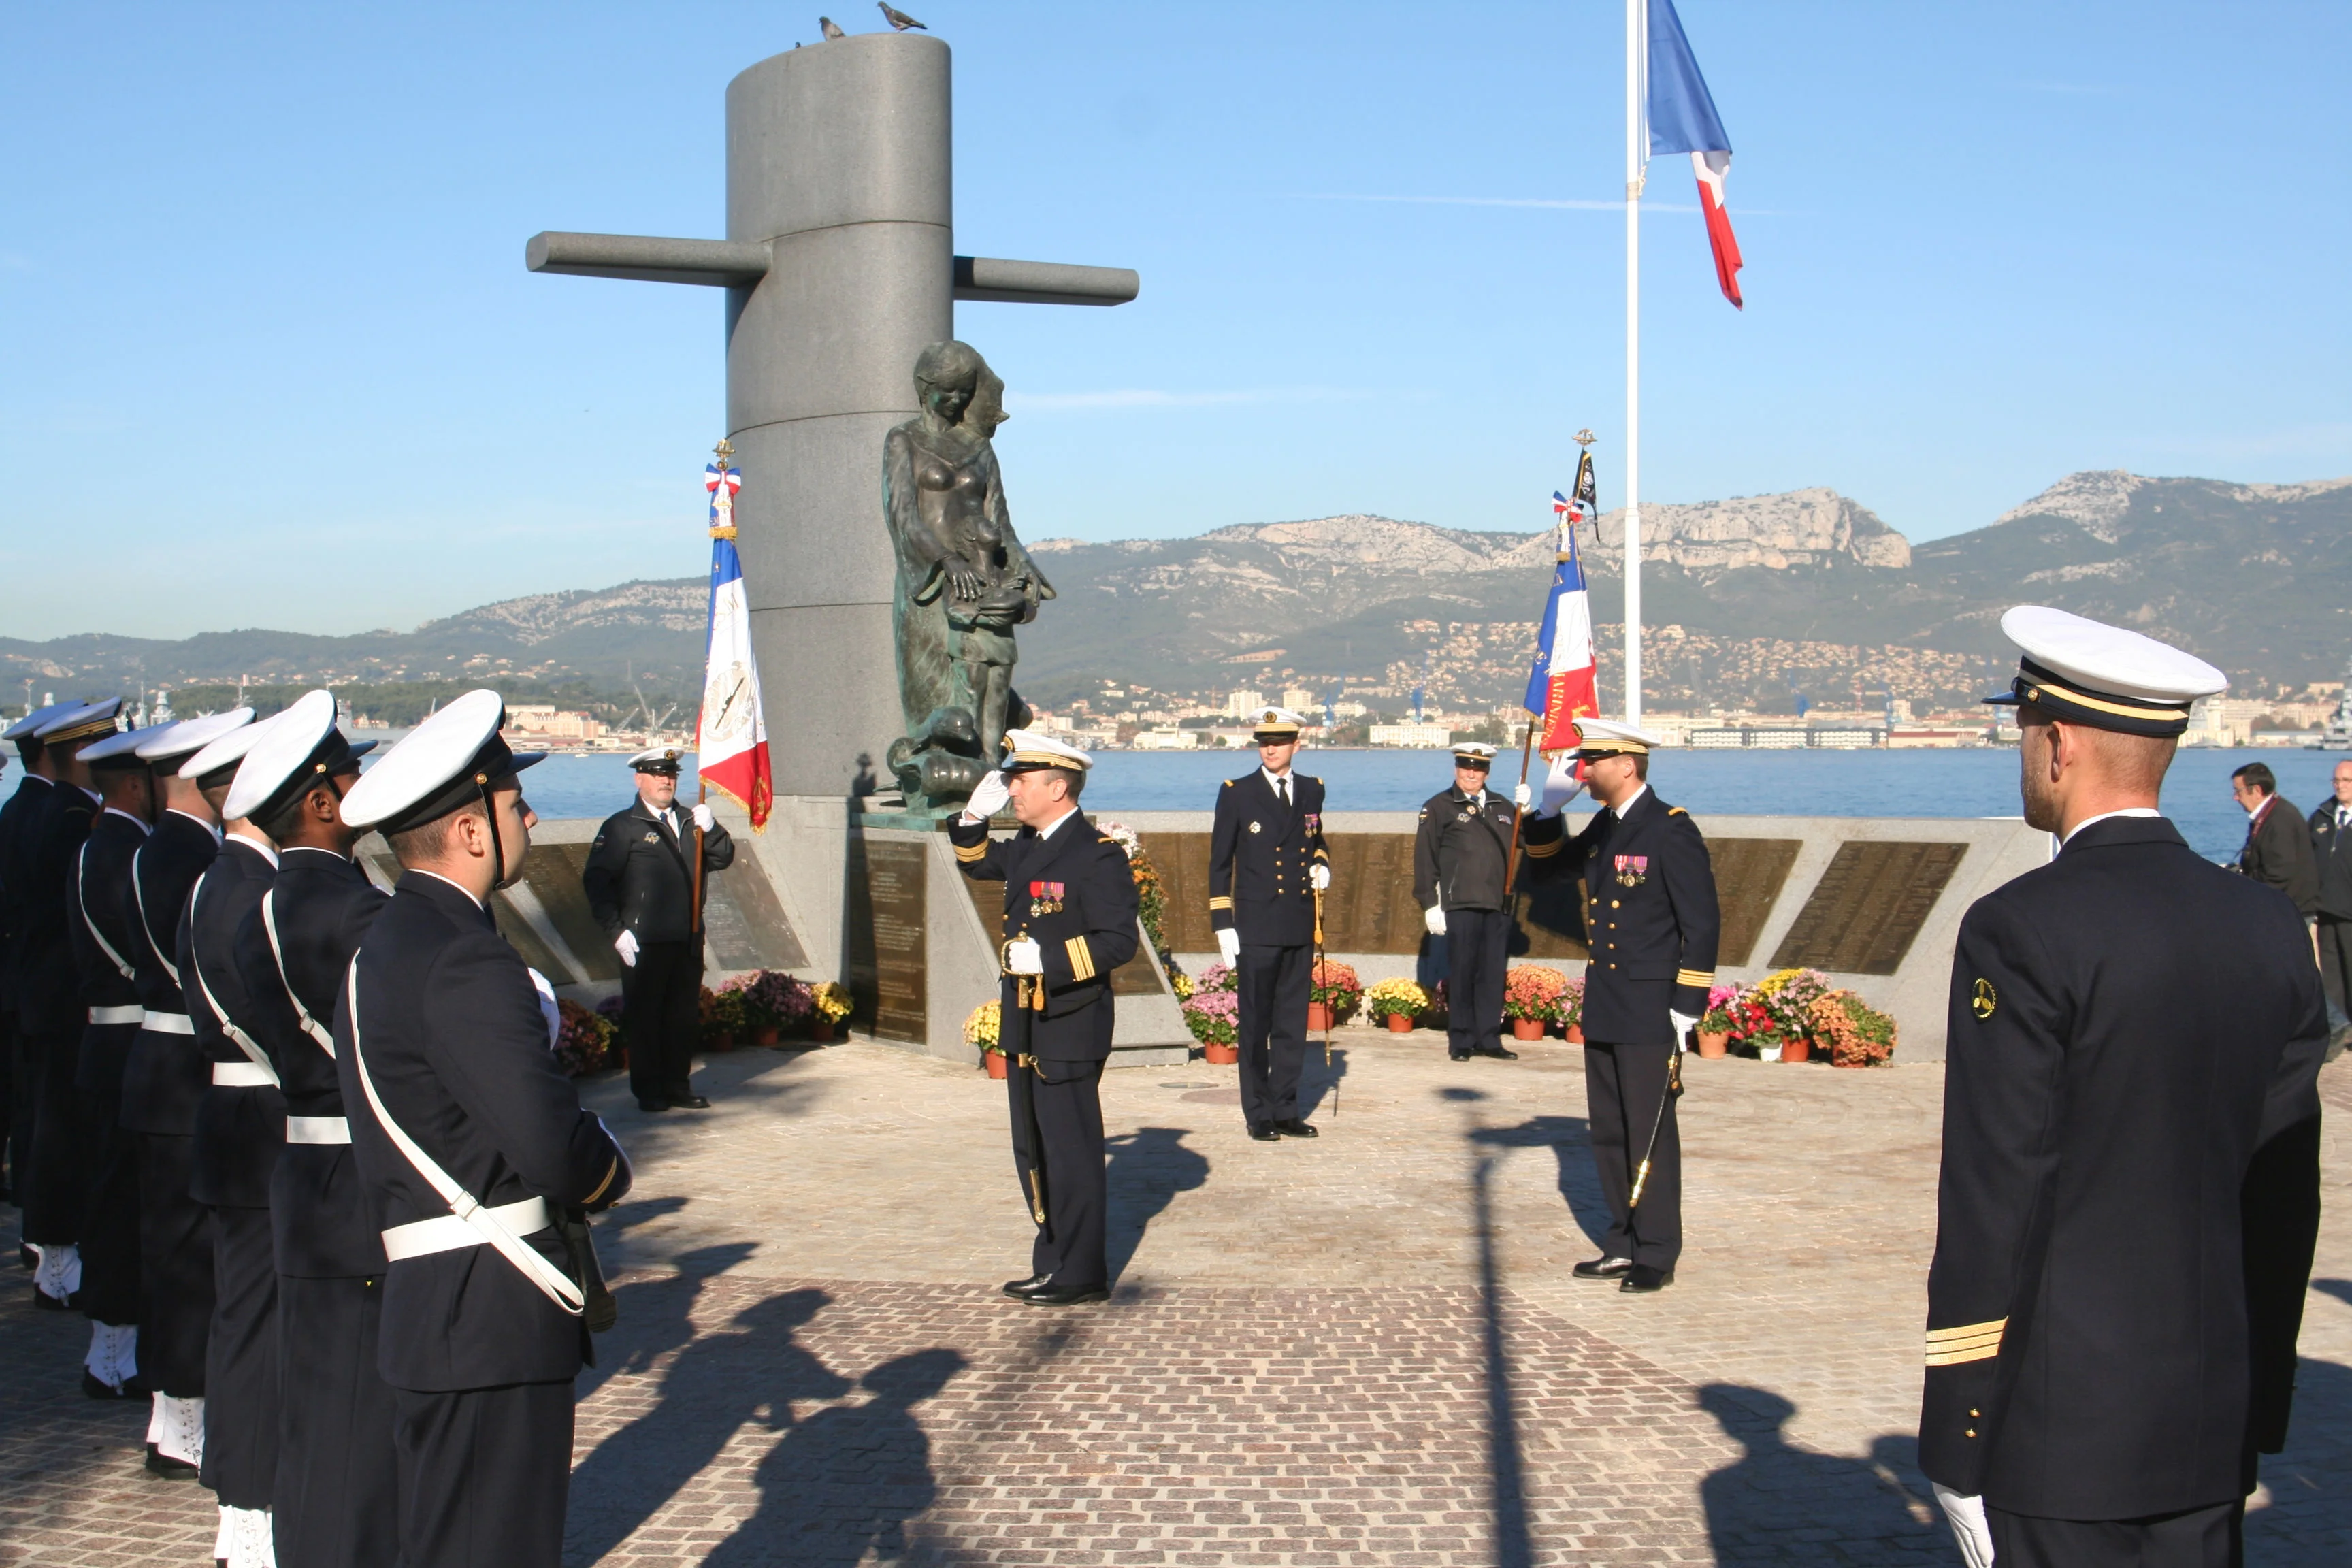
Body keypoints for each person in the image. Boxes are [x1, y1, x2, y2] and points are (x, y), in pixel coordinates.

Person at [1921, 606, 2328, 1568]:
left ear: (2057, 742)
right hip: (2208, 1420)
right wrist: (2258, 1395)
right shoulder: (2267, 927)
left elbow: (1996, 1203)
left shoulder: (2020, 930)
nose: (2018, 751)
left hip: (2060, 1438)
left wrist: (1958, 1437)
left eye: (2019, 729)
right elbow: (2283, 1198)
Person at [334, 690, 630, 1568]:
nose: (531, 816)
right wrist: (607, 1166)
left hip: (441, 1307)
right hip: (489, 1312)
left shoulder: (385, 943)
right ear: (471, 832)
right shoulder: (463, 956)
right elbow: (545, 1138)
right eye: (512, 805)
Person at [223, 690, 394, 1568]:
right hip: (359, 1182)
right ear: (324, 803)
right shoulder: (354, 913)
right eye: (350, 773)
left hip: (301, 1168)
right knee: (359, 1425)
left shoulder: (256, 903)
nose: (363, 782)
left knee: (318, 1409)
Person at [1520, 719, 1718, 1295]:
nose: (1583, 770)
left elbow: (1701, 923)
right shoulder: (1608, 825)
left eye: (1593, 760)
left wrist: (1688, 1002)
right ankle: (1622, 1242)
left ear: (1626, 764)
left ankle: (1656, 1250)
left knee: (1649, 1129)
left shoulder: (1669, 830)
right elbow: (1551, 869)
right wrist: (1548, 815)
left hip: (1652, 1005)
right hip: (1609, 1000)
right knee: (1609, 1130)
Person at [947, 729, 1137, 1307]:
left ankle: (1081, 1271)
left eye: (1021, 781)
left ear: (1058, 787)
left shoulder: (1096, 854)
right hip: (1027, 1021)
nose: (1012, 789)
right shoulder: (1030, 845)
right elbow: (977, 863)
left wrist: (1048, 960)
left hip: (1069, 1020)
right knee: (1034, 1146)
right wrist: (972, 816)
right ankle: (1052, 1259)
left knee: (1072, 1149)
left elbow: (1116, 943)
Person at [125, 709, 255, 1480]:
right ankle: (180, 1415)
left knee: (179, 1253)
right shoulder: (186, 859)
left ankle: (174, 1412)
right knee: (184, 1260)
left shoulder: (171, 849)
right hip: (183, 1071)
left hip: (167, 1067)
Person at [179, 713, 291, 1567]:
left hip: (232, 1124)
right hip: (264, 1128)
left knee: (245, 1318)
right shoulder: (253, 888)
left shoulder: (218, 878)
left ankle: (249, 1503)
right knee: (257, 1327)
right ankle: (251, 1508)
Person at [18, 699, 123, 1316]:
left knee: (45, 1120)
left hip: (37, 988)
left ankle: (50, 1246)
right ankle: (59, 1255)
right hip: (69, 997)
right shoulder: (69, 821)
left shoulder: (28, 810)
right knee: (63, 1131)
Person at [65, 725, 160, 1399]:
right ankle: (115, 1350)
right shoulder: (131, 856)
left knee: (110, 1197)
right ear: (134, 785)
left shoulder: (94, 848)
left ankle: (111, 1347)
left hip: (103, 1041)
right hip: (133, 1043)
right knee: (126, 1204)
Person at [583, 747, 734, 1113]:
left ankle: (677, 1085)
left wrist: (712, 830)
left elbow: (723, 858)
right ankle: (649, 1089)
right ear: (640, 779)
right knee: (647, 1018)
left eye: (672, 775)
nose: (666, 781)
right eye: (657, 774)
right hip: (643, 940)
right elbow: (597, 882)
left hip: (686, 938)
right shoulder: (623, 826)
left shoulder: (690, 820)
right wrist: (616, 931)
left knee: (681, 1018)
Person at [1207, 706, 1330, 1141]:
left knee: (1292, 1024)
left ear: (1297, 743)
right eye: (1264, 740)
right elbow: (1220, 862)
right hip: (1256, 926)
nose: (1270, 748)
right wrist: (1223, 922)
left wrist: (1321, 863)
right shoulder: (1237, 793)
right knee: (1256, 1024)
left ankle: (1286, 1109)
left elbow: (1317, 839)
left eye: (1279, 741)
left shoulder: (1313, 790)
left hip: (1298, 922)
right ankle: (1258, 1112)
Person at [1413, 742, 1530, 1062]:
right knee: (1463, 973)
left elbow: (1530, 842)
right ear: (1456, 769)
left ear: (1487, 772)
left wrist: (1531, 812)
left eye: (1478, 769)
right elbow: (1425, 859)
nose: (1471, 774)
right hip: (1460, 902)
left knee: (1492, 974)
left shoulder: (1503, 806)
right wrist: (1429, 903)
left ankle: (1489, 1038)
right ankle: (1461, 1039)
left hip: (1497, 904)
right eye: (1466, 767)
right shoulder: (1439, 806)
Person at [1, 702, 75, 1209]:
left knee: (28, 1103)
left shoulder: (17, 810)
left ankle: (33, 1208)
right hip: (50, 981)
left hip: (20, 975)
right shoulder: (62, 817)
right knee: (47, 1106)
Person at [2231, 760, 2318, 918]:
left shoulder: (2281, 819)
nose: (2235, 798)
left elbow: (2280, 873)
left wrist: (2248, 892)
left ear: (2257, 790)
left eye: (2239, 792)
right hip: (2282, 905)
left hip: (2288, 910)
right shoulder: (2272, 813)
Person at [2308, 759, 2352, 1013]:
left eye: (2346, 781)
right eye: (2336, 780)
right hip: (2325, 909)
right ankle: (2341, 1026)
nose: (2340, 786)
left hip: (2349, 911)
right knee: (2332, 973)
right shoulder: (2322, 816)